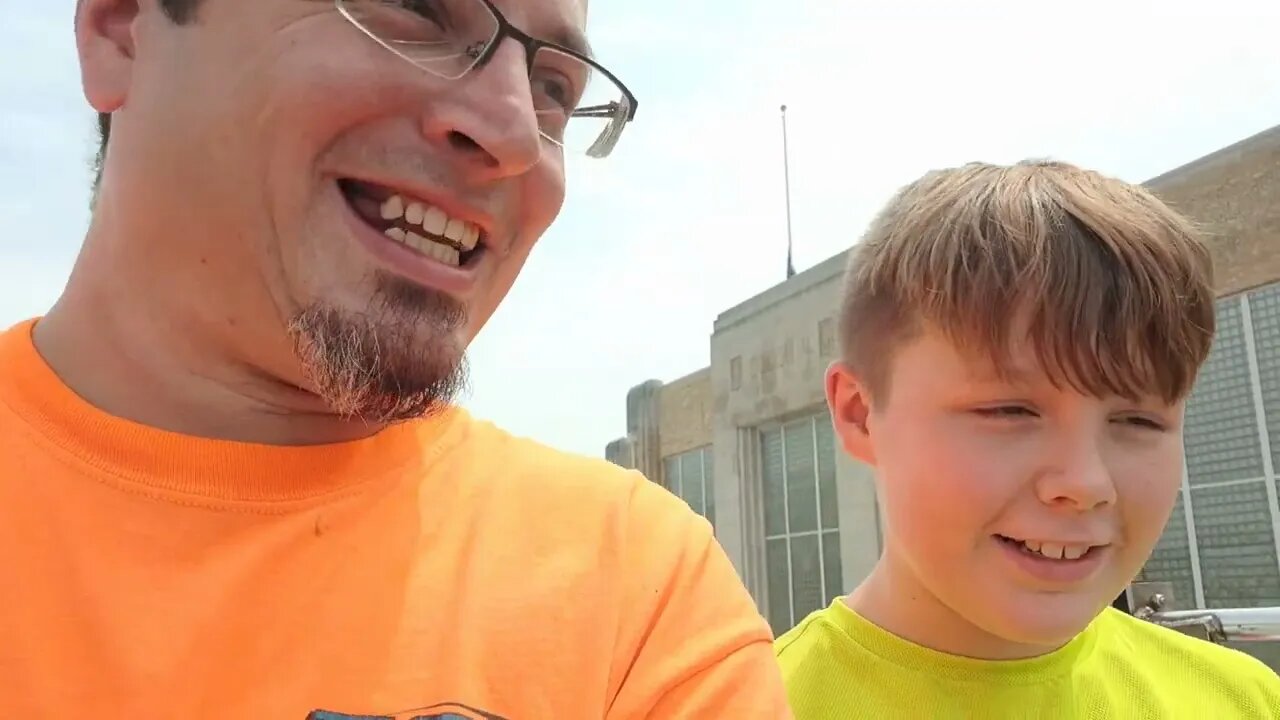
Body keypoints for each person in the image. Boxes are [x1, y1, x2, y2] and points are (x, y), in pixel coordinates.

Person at [0, 1, 790, 717]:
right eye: (411, 10)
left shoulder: (636, 603)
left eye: (552, 86)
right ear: (120, 26)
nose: (516, 135)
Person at [775, 160, 1280, 718]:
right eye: (1008, 410)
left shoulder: (1242, 700)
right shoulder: (751, 705)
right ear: (860, 413)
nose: (1086, 482)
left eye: (1139, 421)